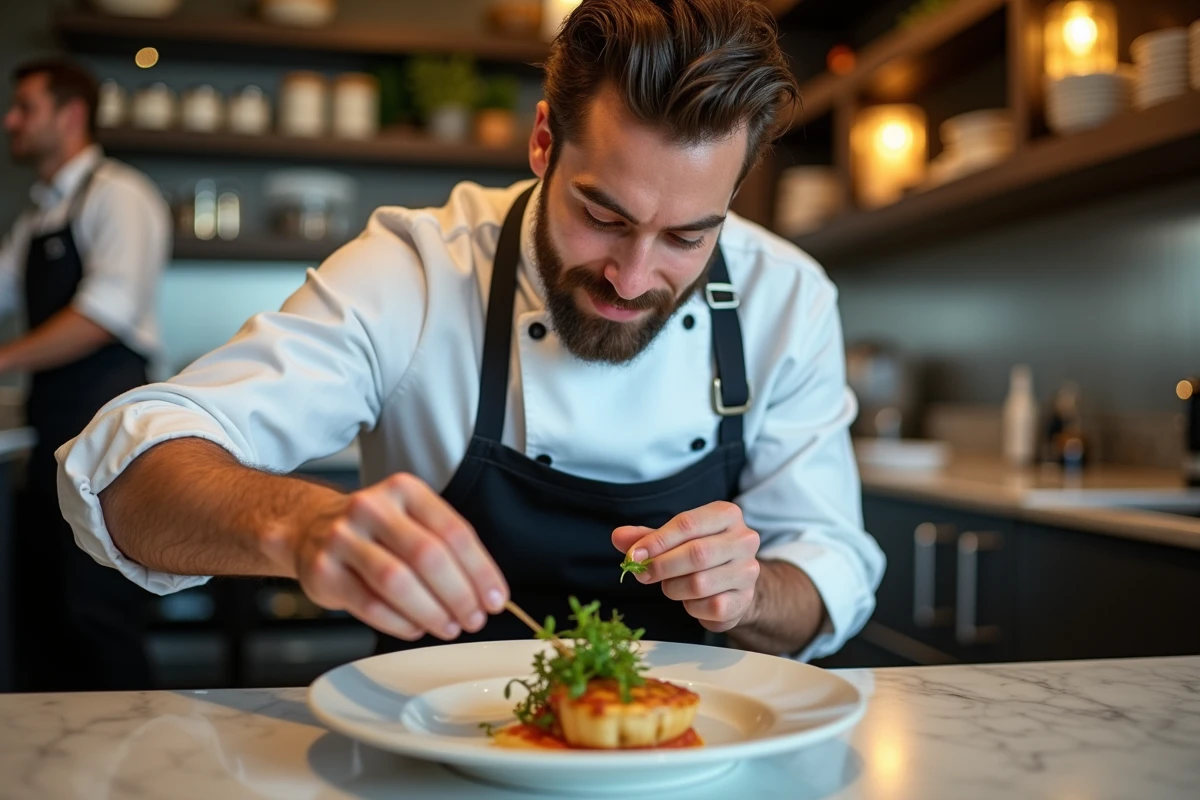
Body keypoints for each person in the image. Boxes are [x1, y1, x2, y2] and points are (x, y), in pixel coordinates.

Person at [57, 0, 884, 662]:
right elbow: (127, 471)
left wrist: (751, 593)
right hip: (427, 757)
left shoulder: (787, 298)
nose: (632, 278)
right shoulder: (418, 269)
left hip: (691, 752)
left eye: (687, 237)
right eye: (603, 216)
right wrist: (300, 526)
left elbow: (830, 572)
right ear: (543, 142)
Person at [1, 58, 170, 690]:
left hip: (107, 428)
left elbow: (104, 315)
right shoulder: (38, 215)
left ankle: (138, 748)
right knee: (47, 610)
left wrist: (4, 359)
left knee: (99, 610)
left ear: (70, 115)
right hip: (53, 428)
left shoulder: (119, 194)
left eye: (25, 108)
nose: (10, 121)